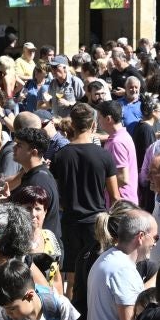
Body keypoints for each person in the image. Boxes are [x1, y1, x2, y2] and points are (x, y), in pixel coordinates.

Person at [51, 104, 120, 290]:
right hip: (96, 224)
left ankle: (73, 318)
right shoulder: (104, 155)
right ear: (93, 125)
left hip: (70, 222)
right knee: (96, 275)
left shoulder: (60, 156)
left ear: (72, 124)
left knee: (72, 279)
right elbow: (115, 197)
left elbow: (56, 192)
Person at [86, 208, 156, 320]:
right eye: (155, 238)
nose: (155, 244)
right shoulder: (123, 270)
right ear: (141, 237)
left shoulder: (109, 259)